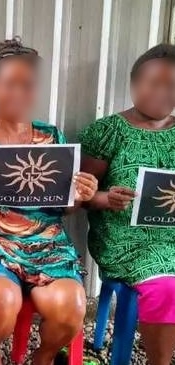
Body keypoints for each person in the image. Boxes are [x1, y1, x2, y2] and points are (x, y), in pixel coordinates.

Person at [0, 39, 98, 365]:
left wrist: (79, 196)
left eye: (27, 85)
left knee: (71, 306)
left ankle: (42, 358)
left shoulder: (51, 137)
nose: (18, 93)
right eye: (9, 84)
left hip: (46, 248)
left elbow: (62, 207)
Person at [79, 44, 175, 365]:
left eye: (171, 86)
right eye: (153, 83)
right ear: (134, 83)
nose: (162, 92)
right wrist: (105, 198)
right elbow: (79, 194)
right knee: (165, 284)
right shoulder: (108, 132)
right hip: (124, 239)